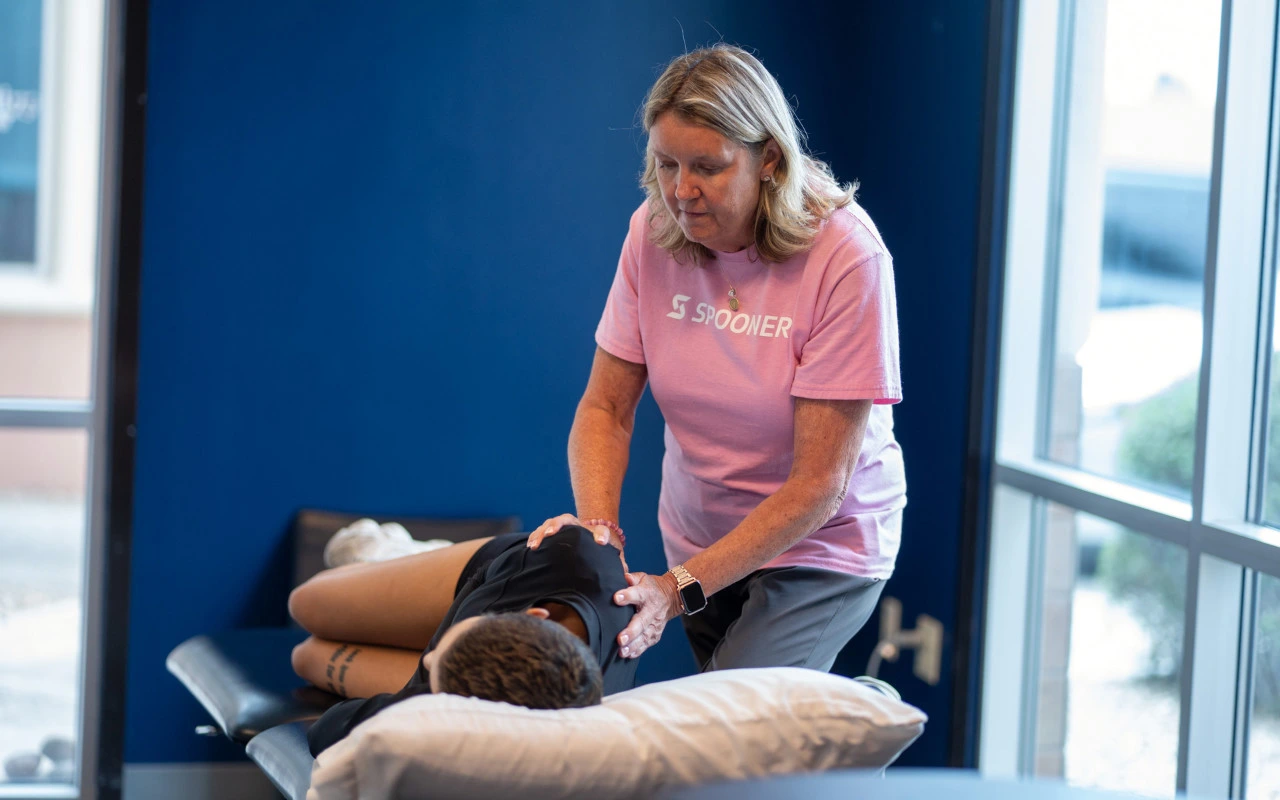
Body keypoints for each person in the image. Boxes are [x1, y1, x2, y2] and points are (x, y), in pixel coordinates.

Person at [527, 44, 906, 674]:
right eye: (666, 163)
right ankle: (826, 738)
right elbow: (605, 407)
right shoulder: (651, 233)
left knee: (735, 728)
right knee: (744, 739)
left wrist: (675, 589)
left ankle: (852, 731)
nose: (681, 191)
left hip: (819, 545)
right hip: (701, 537)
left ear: (769, 161)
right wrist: (597, 532)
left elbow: (819, 487)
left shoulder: (846, 256)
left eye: (708, 166)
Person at [291, 523, 637, 755]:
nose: (427, 657)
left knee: (306, 657)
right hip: (490, 576)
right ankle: (394, 553)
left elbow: (329, 729)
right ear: (533, 615)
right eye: (438, 653)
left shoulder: (520, 697)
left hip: (469, 672)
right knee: (304, 605)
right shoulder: (564, 554)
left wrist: (438, 688)